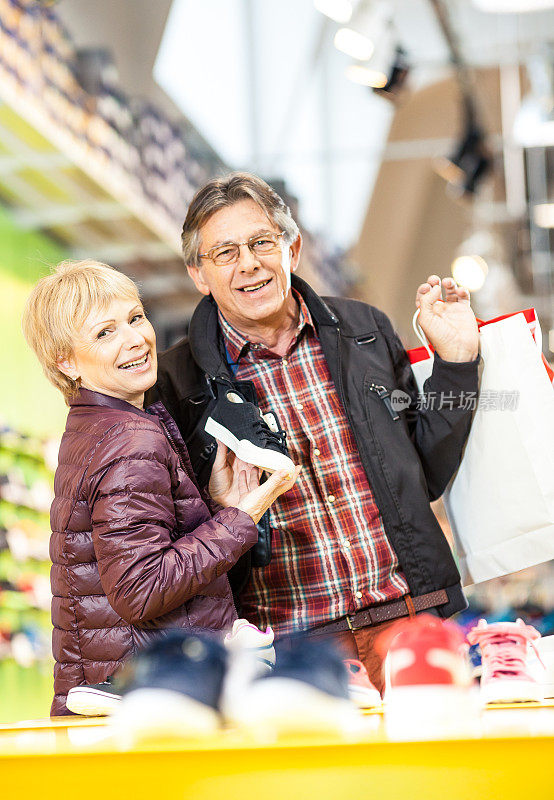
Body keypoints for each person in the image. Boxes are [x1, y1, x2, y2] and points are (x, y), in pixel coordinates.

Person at [150, 172, 480, 693]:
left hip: (410, 618)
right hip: (288, 646)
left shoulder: (364, 331)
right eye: (225, 252)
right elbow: (175, 528)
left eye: (262, 242)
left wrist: (457, 362)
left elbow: (426, 474)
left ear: (292, 248)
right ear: (198, 273)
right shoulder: (175, 382)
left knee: (438, 770)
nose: (249, 264)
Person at [22, 259, 299, 715]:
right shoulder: (130, 436)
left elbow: (131, 550)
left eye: (135, 318)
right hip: (152, 703)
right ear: (65, 361)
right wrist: (240, 518)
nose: (135, 339)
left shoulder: (95, 426)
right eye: (103, 333)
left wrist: (214, 505)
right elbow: (140, 588)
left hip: (123, 691)